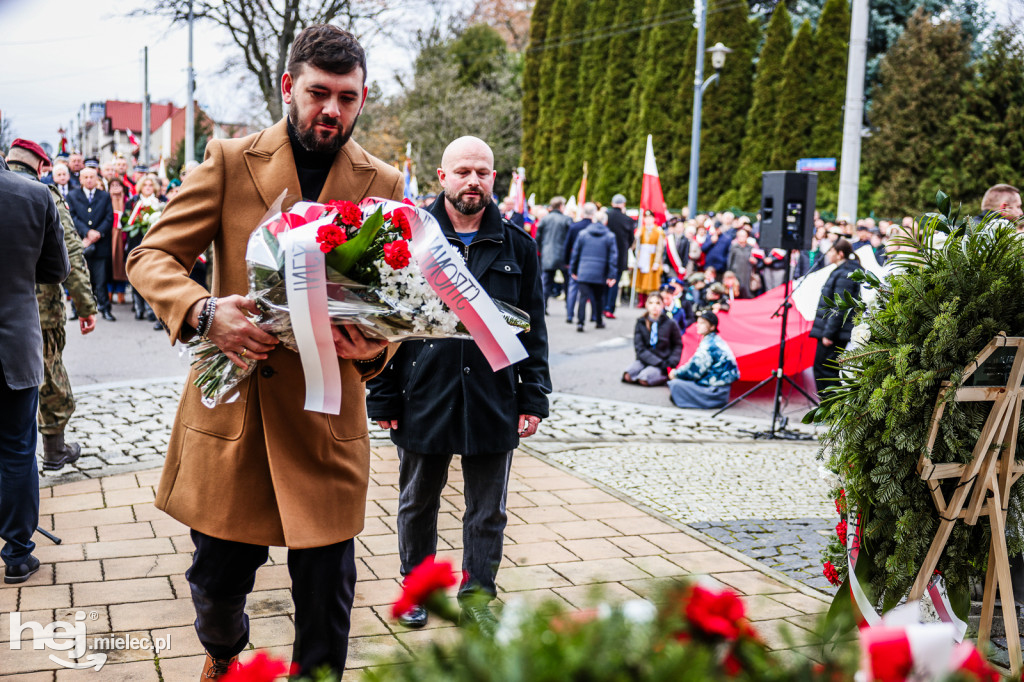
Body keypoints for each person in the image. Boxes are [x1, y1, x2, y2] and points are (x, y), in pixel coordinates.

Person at [126, 25, 403, 679]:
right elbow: (151, 256)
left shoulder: (382, 180)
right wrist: (202, 311)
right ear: (288, 88)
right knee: (215, 589)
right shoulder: (229, 160)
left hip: (326, 423)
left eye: (347, 96)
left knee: (328, 605)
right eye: (317, 93)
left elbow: (393, 308)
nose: (331, 109)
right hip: (237, 418)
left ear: (362, 99)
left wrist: (372, 351)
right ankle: (223, 653)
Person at [366, 136, 550, 634]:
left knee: (488, 510)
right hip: (424, 393)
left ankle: (477, 598)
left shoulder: (520, 246)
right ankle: (418, 589)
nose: (474, 180)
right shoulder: (407, 241)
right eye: (463, 171)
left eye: (483, 172)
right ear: (441, 177)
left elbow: (534, 326)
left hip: (495, 397)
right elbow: (387, 325)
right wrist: (380, 393)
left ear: (495, 179)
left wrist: (534, 395)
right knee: (417, 502)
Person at [0, 153, 70, 584]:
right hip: (15, 344)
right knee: (18, 449)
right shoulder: (33, 194)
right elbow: (55, 269)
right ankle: (18, 554)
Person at [7, 139, 97, 471]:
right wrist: (86, 305)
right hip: (40, 310)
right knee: (49, 375)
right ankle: (54, 450)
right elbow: (70, 255)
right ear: (42, 166)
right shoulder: (44, 195)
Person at [809, 238, 863, 395]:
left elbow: (839, 306)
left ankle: (829, 410)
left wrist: (828, 333)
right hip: (834, 331)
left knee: (825, 371)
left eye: (831, 251)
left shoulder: (845, 273)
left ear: (840, 254)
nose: (828, 254)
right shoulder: (844, 270)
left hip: (834, 332)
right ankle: (829, 409)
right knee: (826, 370)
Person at [67, 167, 115, 321]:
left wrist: (98, 233)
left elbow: (109, 218)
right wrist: (87, 232)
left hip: (100, 244)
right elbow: (71, 217)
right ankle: (77, 310)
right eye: (85, 177)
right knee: (80, 280)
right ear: (80, 179)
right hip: (81, 243)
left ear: (96, 179)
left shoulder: (105, 196)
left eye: (92, 177)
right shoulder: (72, 196)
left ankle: (105, 309)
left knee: (101, 281)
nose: (89, 180)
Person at [668, 311, 740, 409]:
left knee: (675, 384)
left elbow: (695, 369)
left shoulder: (709, 344)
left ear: (712, 327)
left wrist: (676, 374)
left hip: (715, 392)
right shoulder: (714, 340)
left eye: (702, 323)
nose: (698, 325)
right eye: (698, 322)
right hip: (720, 389)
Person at [569, 208, 617, 332]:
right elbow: (613, 257)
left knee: (583, 297)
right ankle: (599, 321)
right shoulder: (610, 236)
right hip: (600, 271)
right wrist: (611, 275)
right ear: (605, 222)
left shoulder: (583, 234)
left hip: (584, 270)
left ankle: (580, 323)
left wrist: (573, 270)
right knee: (599, 297)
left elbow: (576, 253)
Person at [623, 294, 682, 386]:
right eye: (651, 303)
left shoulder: (670, 323)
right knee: (628, 375)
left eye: (658, 303)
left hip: (663, 361)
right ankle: (646, 372)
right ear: (646, 305)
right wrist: (654, 361)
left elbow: (678, 344)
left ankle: (662, 376)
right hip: (645, 359)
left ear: (663, 305)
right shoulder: (641, 322)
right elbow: (639, 347)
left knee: (644, 379)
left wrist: (671, 362)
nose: (654, 306)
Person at [535, 196, 572, 311]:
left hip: (548, 254)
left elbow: (538, 238)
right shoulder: (567, 219)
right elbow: (571, 239)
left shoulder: (545, 219)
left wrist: (542, 250)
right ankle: (569, 309)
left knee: (546, 283)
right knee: (567, 284)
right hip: (563, 255)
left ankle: (543, 307)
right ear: (561, 206)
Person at [563, 202, 597, 324]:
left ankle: (570, 314)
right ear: (594, 213)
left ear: (583, 213)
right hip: (591, 262)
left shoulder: (574, 226)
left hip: (575, 260)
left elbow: (567, 245)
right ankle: (594, 315)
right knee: (592, 289)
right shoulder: (595, 227)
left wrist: (566, 261)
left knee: (573, 288)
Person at [604, 193, 635, 319]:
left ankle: (601, 307)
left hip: (605, 255)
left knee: (603, 281)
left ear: (612, 204)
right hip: (620, 256)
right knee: (614, 282)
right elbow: (630, 240)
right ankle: (609, 308)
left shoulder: (606, 216)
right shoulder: (627, 220)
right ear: (623, 205)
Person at [633, 210, 664, 305]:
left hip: (651, 257)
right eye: (646, 218)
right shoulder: (641, 230)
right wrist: (636, 237)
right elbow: (634, 246)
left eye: (650, 217)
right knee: (641, 278)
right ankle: (641, 300)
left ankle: (649, 300)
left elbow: (659, 248)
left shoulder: (658, 231)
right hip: (642, 256)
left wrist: (656, 262)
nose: (648, 220)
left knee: (651, 280)